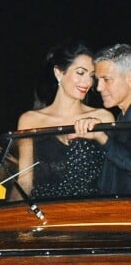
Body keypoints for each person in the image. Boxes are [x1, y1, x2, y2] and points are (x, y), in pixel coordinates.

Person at [16, 41, 114, 199]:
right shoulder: (30, 120)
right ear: (59, 73)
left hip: (91, 213)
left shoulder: (102, 117)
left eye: (91, 76)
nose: (88, 83)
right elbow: (25, 182)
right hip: (45, 214)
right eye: (80, 73)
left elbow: (115, 172)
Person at [72, 43, 131, 195]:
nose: (98, 88)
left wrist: (102, 137)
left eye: (106, 79)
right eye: (98, 80)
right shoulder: (121, 117)